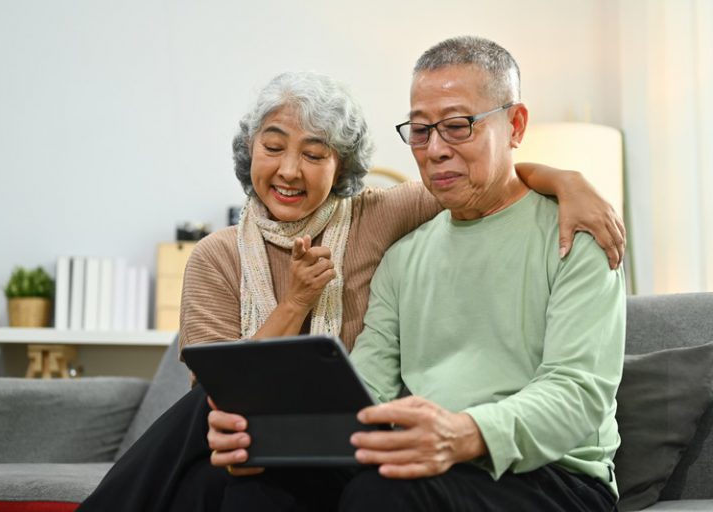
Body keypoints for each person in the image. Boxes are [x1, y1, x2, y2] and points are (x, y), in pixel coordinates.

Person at [77, 68, 624, 511]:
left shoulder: (381, 220)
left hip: (526, 469)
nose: (290, 169)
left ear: (339, 169)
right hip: (377, 445)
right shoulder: (222, 255)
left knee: (359, 486)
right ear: (251, 152)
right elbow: (244, 389)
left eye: (315, 154)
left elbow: (484, 178)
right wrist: (267, 436)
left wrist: (567, 181)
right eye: (274, 147)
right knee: (232, 458)